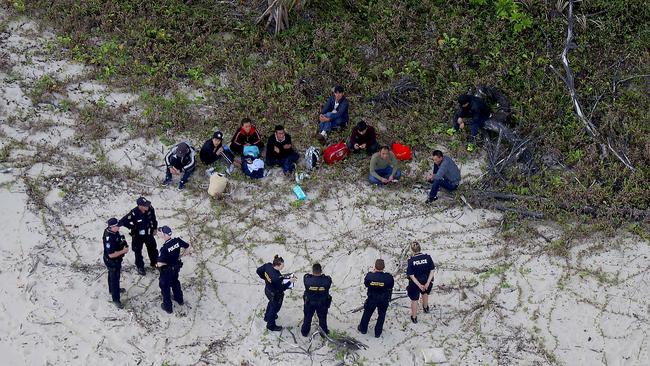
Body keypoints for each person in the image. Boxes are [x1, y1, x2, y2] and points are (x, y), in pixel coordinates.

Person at [119, 197, 158, 275]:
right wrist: (132, 227)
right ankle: (140, 267)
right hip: (137, 236)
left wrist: (155, 228)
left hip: (149, 234)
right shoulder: (134, 213)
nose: (147, 206)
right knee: (137, 251)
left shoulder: (150, 209)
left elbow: (154, 219)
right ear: (140, 206)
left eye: (147, 204)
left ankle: (155, 263)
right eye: (145, 205)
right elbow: (122, 221)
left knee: (153, 249)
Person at [256, 255, 296, 331]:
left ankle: (266, 317)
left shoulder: (268, 266)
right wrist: (290, 281)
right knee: (274, 309)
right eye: (282, 266)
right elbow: (282, 288)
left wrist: (265, 278)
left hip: (267, 290)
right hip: (275, 295)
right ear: (277, 265)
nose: (283, 267)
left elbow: (258, 270)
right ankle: (271, 326)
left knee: (270, 303)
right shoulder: (277, 278)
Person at [156, 225, 190, 314]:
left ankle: (168, 308)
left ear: (164, 234)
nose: (159, 233)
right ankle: (179, 299)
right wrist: (180, 257)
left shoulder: (164, 249)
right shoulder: (177, 241)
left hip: (167, 271)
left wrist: (165, 264)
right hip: (176, 267)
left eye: (161, 232)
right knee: (175, 282)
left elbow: (159, 263)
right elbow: (188, 247)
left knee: (165, 287)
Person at [358, 259, 394, 338]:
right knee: (381, 315)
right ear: (383, 267)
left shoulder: (370, 276)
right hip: (384, 299)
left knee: (367, 313)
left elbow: (366, 284)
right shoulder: (388, 277)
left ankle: (363, 329)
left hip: (372, 298)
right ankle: (377, 333)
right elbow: (391, 286)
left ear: (375, 266)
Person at [103, 218, 129, 309]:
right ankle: (116, 299)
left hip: (116, 260)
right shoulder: (109, 238)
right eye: (117, 226)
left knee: (111, 275)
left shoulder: (114, 232)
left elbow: (118, 239)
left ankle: (112, 290)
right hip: (112, 261)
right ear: (112, 227)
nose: (119, 228)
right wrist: (123, 251)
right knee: (115, 279)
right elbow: (111, 255)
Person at [406, 242, 435, 323]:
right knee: (425, 293)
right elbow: (432, 270)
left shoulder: (411, 261)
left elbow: (411, 275)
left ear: (412, 250)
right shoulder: (428, 257)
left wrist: (419, 285)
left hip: (415, 283)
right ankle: (425, 308)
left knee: (414, 300)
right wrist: (428, 283)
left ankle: (414, 317)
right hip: (426, 280)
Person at [301, 263, 332, 337]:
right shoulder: (326, 281)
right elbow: (329, 281)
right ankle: (323, 333)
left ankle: (305, 332)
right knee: (322, 318)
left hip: (309, 302)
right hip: (322, 303)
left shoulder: (307, 280)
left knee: (307, 318)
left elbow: (306, 277)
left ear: (313, 270)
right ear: (321, 271)